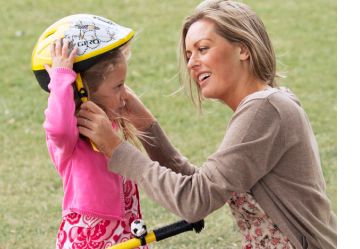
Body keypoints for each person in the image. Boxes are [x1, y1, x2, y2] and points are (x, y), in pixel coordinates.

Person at [76, 1, 337, 248]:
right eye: (189, 54)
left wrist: (115, 148)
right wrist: (145, 126)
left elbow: (194, 200)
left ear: (243, 49)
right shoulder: (266, 105)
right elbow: (205, 185)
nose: (191, 63)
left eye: (203, 49)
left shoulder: (264, 110)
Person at [31, 14, 148, 248]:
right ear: (83, 91)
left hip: (124, 225)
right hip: (89, 233)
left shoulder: (109, 121)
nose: (124, 93)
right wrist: (62, 79)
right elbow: (58, 127)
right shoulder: (71, 135)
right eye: (118, 86)